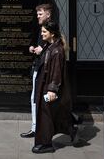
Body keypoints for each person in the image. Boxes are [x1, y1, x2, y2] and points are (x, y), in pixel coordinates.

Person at [32, 20, 76, 154]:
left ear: (52, 33)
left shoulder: (57, 51)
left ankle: (46, 144)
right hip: (44, 86)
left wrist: (52, 89)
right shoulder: (49, 46)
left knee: (45, 115)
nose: (42, 34)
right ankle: (70, 126)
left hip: (48, 89)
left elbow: (56, 72)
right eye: (42, 31)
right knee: (49, 114)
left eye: (44, 32)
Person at [20, 3, 53, 138]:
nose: (38, 16)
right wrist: (33, 47)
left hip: (44, 69)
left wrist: (42, 49)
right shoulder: (42, 27)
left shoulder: (51, 28)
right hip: (39, 67)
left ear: (48, 14)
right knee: (36, 98)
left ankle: (37, 128)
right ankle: (36, 127)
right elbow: (43, 45)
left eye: (40, 14)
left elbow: (56, 46)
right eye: (37, 14)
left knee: (41, 99)